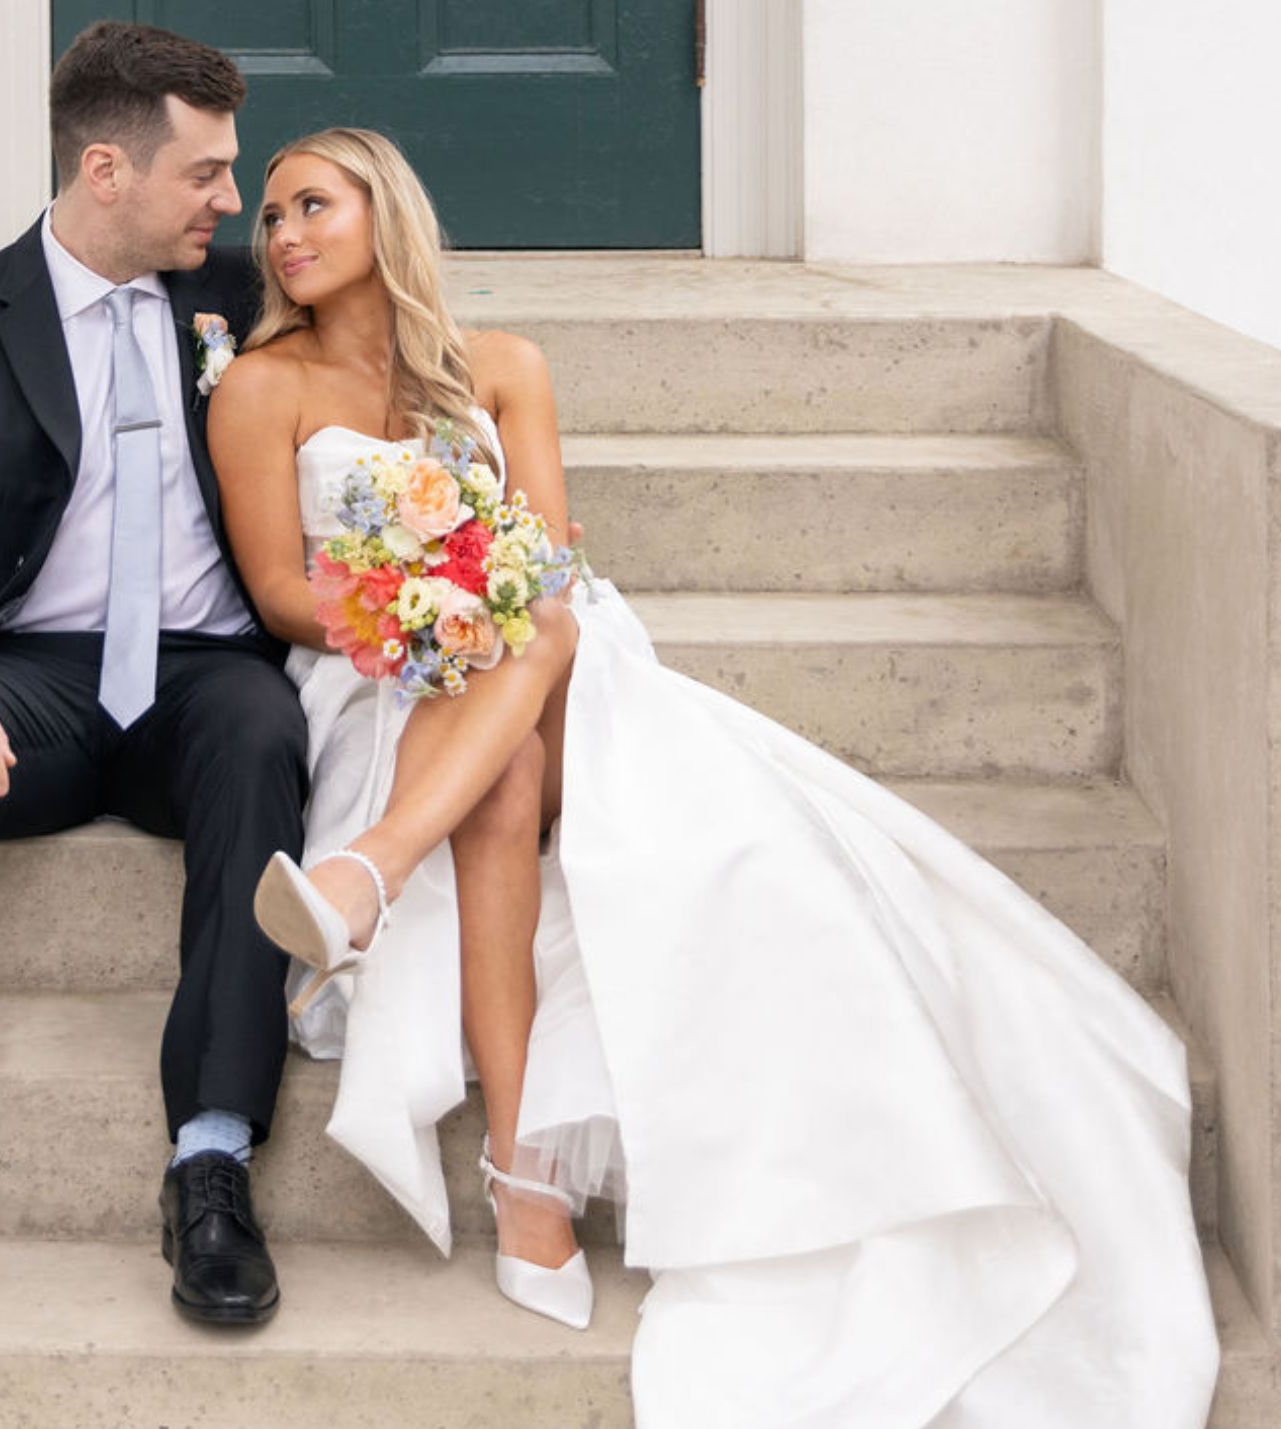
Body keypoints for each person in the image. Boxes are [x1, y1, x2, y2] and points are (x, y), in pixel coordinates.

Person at [209, 128, 1222, 1426]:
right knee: (505, 775)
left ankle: (370, 875)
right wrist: (413, 619)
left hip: (551, 657)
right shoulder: (259, 385)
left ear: (383, 214)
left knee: (550, 622)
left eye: (313, 203)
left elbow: (549, 555)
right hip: (376, 678)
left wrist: (483, 601)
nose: (283, 233)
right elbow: (283, 588)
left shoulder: (506, 370)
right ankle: (525, 1171)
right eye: (273, 214)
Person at [0, 22, 304, 1328]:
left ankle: (212, 1152)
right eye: (204, 172)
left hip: (202, 672)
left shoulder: (250, 300)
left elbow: (408, 345)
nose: (230, 200)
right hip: (34, 671)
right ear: (106, 170)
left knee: (264, 729)